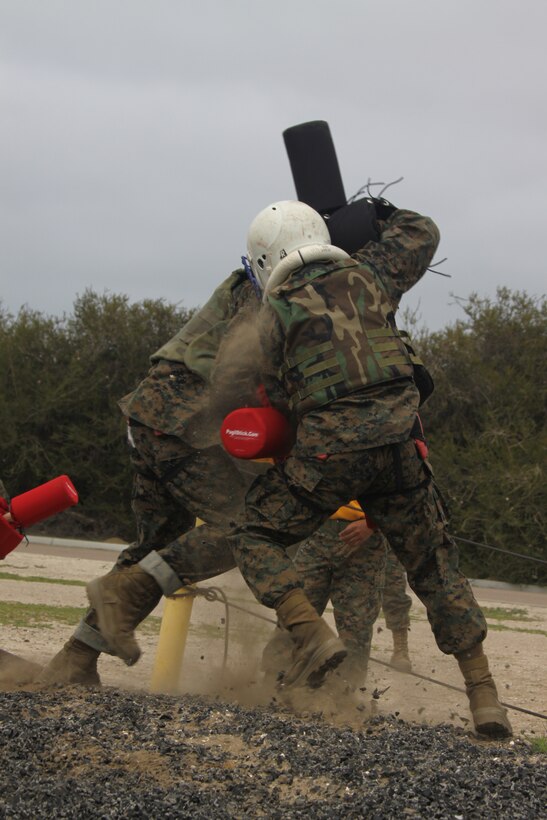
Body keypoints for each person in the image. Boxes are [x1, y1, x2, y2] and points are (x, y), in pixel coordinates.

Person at [83, 198, 512, 737]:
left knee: (252, 532)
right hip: (399, 452)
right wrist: (370, 211)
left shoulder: (271, 311)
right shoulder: (373, 275)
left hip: (325, 456)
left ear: (263, 259)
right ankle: (484, 696)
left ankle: (309, 634)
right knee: (434, 563)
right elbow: (421, 232)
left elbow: (262, 397)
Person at [38, 268, 260, 685]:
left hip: (151, 416)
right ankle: (116, 595)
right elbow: (238, 378)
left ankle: (75, 658)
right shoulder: (272, 298)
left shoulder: (248, 286)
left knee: (154, 543)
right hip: (181, 425)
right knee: (246, 527)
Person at [261, 500, 413, 689]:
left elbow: (404, 494)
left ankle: (343, 698)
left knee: (356, 623)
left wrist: (371, 523)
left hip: (365, 537)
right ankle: (273, 682)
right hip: (320, 528)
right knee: (296, 608)